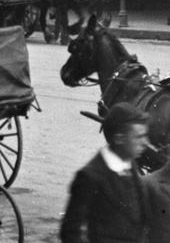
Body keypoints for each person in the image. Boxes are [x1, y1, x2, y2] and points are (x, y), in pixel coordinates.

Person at [60, 102, 150, 243]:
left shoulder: (129, 163)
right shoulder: (91, 176)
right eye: (138, 137)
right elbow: (70, 231)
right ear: (119, 138)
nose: (145, 142)